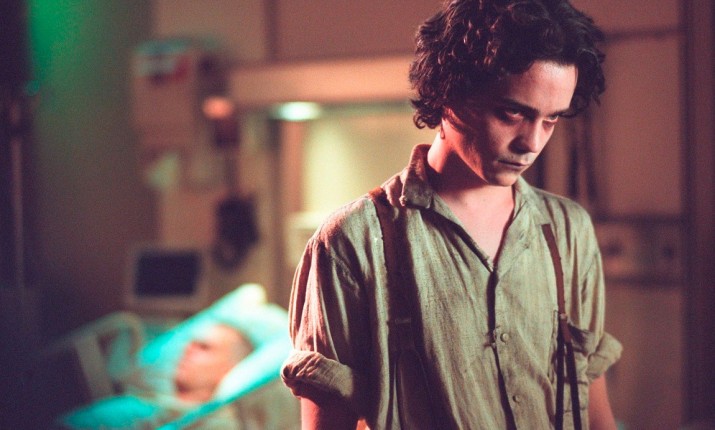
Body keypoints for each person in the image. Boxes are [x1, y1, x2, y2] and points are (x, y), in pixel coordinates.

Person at [280, 0, 622, 429]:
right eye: (512, 113)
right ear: (450, 92)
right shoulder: (354, 243)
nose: (531, 143)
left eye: (550, 120)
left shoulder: (567, 230)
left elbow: (594, 405)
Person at [57, 323, 254, 430]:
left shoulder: (214, 422)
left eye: (204, 347)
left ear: (232, 367)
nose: (188, 350)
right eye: (191, 344)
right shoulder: (152, 404)